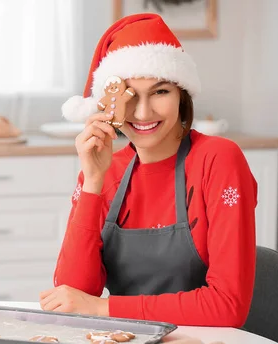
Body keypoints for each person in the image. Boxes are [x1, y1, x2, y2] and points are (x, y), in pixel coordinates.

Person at [39, 13, 258, 327]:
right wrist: (92, 183)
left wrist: (103, 309)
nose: (143, 113)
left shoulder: (218, 160)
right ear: (109, 104)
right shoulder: (107, 170)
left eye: (160, 92)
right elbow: (73, 294)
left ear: (181, 94)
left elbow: (227, 307)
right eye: (129, 96)